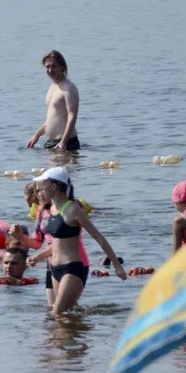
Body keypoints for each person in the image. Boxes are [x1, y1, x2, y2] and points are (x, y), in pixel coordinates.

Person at [28, 167, 126, 316]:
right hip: (55, 269)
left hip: (72, 268)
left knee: (56, 314)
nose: (39, 191)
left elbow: (98, 237)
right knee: (68, 315)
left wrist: (117, 265)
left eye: (42, 187)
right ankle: (82, 331)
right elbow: (57, 245)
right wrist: (38, 257)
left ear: (54, 187)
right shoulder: (51, 209)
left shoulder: (72, 210)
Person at [26, 50, 80, 151]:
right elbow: (52, 118)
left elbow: (72, 116)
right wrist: (37, 135)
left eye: (54, 66)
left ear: (62, 67)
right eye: (47, 67)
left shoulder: (69, 88)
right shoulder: (52, 87)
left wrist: (63, 142)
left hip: (66, 143)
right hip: (51, 142)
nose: (50, 70)